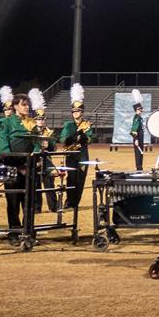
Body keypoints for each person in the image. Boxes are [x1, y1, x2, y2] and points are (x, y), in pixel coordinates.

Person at [0, 92, 35, 235]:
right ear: (15, 106)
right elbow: (4, 148)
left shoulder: (32, 123)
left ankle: (28, 231)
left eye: (28, 104)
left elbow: (36, 143)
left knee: (29, 203)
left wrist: (35, 156)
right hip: (11, 168)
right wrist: (19, 167)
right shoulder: (4, 123)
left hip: (29, 167)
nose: (27, 107)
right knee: (12, 202)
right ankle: (14, 231)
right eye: (24, 104)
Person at [58, 84, 93, 220]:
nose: (75, 113)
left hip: (82, 155)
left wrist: (84, 137)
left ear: (82, 112)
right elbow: (62, 138)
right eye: (73, 111)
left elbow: (89, 139)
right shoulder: (68, 125)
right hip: (71, 155)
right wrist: (71, 138)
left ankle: (76, 202)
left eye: (77, 111)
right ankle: (69, 201)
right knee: (71, 178)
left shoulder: (87, 125)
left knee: (81, 180)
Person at [129, 90, 145, 171]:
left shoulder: (140, 117)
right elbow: (134, 129)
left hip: (140, 137)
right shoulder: (137, 118)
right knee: (138, 153)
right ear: (136, 110)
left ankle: (140, 167)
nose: (141, 110)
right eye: (139, 109)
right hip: (138, 137)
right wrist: (136, 139)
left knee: (141, 153)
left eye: (141, 109)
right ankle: (139, 168)